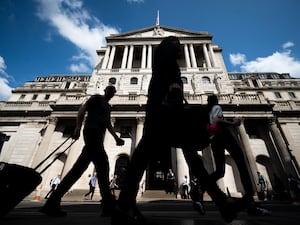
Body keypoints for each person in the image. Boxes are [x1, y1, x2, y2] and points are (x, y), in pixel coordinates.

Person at [111, 36, 247, 225]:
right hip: (168, 117)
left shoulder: (157, 67)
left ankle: (222, 201)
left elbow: (157, 93)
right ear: (169, 48)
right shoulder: (171, 66)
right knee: (188, 157)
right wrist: (179, 104)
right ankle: (222, 201)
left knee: (145, 160)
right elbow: (174, 89)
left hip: (155, 115)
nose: (180, 50)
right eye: (177, 46)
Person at [40, 85, 125, 217]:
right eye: (109, 90)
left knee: (81, 169)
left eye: (113, 91)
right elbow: (82, 110)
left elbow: (108, 123)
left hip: (99, 135)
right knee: (102, 166)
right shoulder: (96, 98)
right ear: (105, 91)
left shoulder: (108, 107)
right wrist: (78, 128)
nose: (111, 92)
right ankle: (108, 205)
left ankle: (52, 202)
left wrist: (116, 138)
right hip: (91, 132)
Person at [206, 94, 271, 215]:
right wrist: (233, 123)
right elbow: (216, 120)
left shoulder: (207, 111)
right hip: (225, 136)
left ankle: (201, 185)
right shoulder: (216, 107)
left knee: (220, 171)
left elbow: (210, 125)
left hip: (214, 140)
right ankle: (250, 199)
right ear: (216, 100)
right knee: (242, 166)